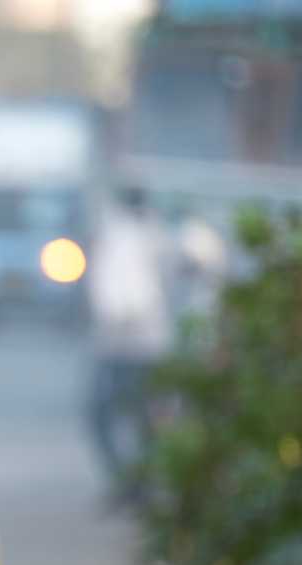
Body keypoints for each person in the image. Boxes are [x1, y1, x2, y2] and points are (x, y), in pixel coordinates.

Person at [86, 185, 172, 490]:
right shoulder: (150, 233)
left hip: (130, 346)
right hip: (136, 346)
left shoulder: (125, 235)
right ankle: (135, 484)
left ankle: (137, 485)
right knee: (136, 418)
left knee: (120, 417)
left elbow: (121, 300)